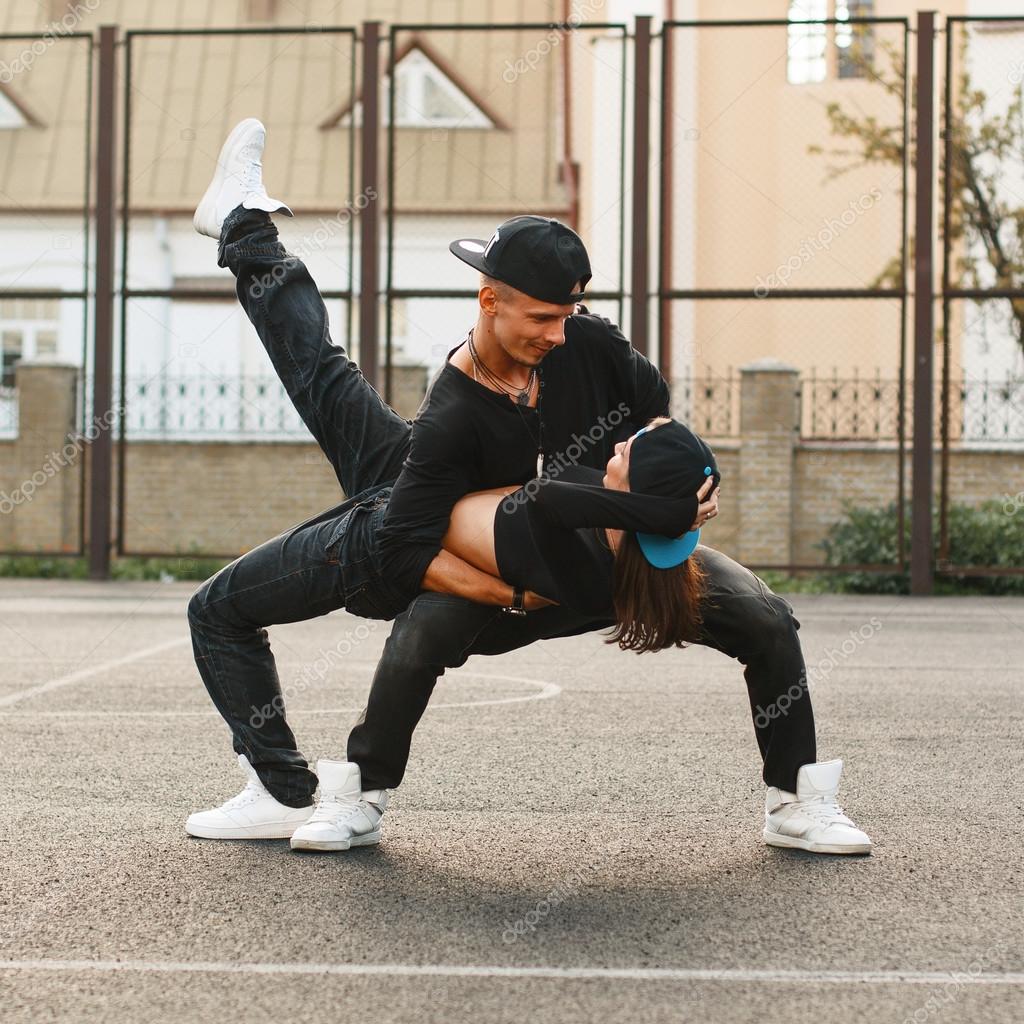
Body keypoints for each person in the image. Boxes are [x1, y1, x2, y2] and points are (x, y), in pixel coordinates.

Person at [185, 119, 872, 857]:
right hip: (473, 560)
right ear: (489, 301)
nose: (559, 331)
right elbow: (408, 548)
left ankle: (797, 801)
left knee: (766, 619)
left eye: (569, 312)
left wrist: (690, 485)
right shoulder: (453, 415)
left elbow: (659, 419)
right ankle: (339, 793)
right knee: (405, 604)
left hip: (596, 556)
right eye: (543, 317)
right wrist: (512, 597)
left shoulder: (591, 344)